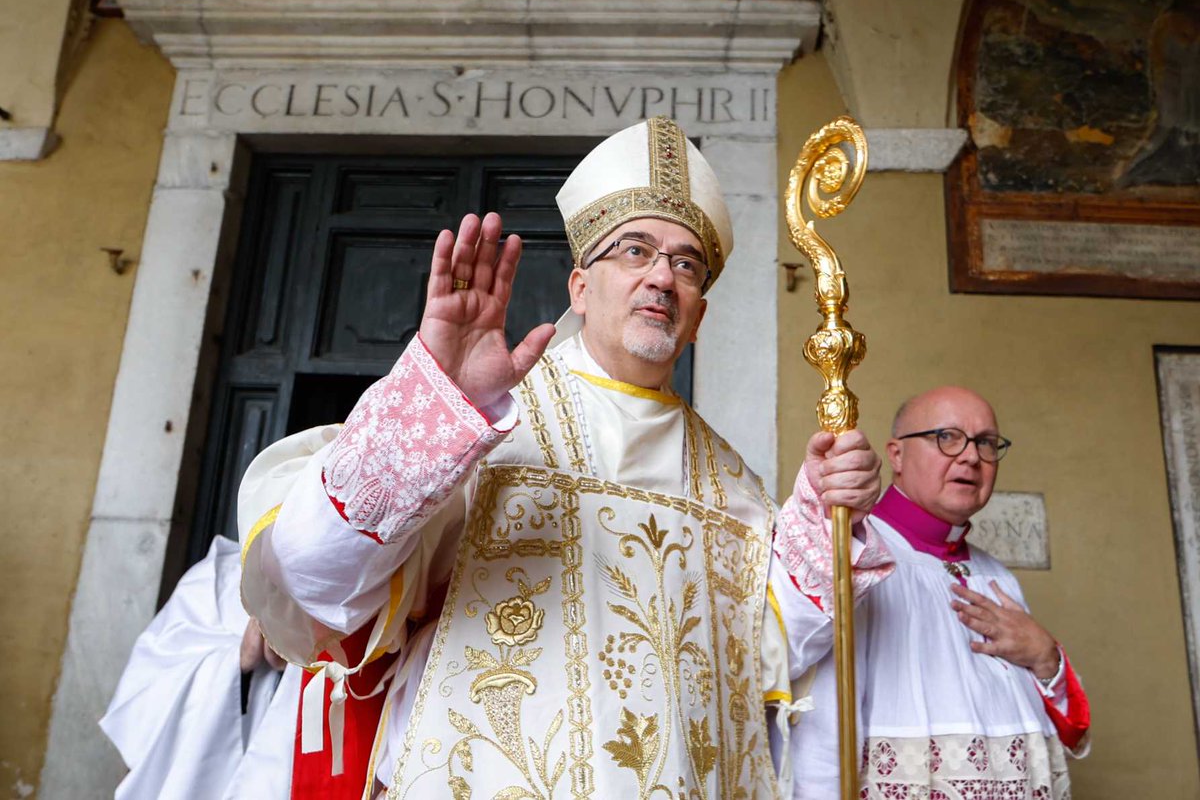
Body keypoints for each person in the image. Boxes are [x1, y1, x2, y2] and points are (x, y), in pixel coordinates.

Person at [236, 116, 894, 799]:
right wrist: (436, 403)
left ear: (699, 316)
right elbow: (314, 580)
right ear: (580, 287)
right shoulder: (482, 422)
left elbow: (762, 656)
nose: (661, 277)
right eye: (635, 251)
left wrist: (823, 515)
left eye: (686, 264)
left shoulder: (732, 487)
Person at [784, 386, 1091, 799]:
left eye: (985, 442)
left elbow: (1070, 728)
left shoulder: (997, 576)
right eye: (947, 437)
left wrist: (1045, 656)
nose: (971, 457)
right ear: (896, 455)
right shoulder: (855, 557)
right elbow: (818, 724)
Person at [100, 536, 300, 800]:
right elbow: (146, 697)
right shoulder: (212, 581)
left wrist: (297, 661)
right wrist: (237, 661)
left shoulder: (346, 596)